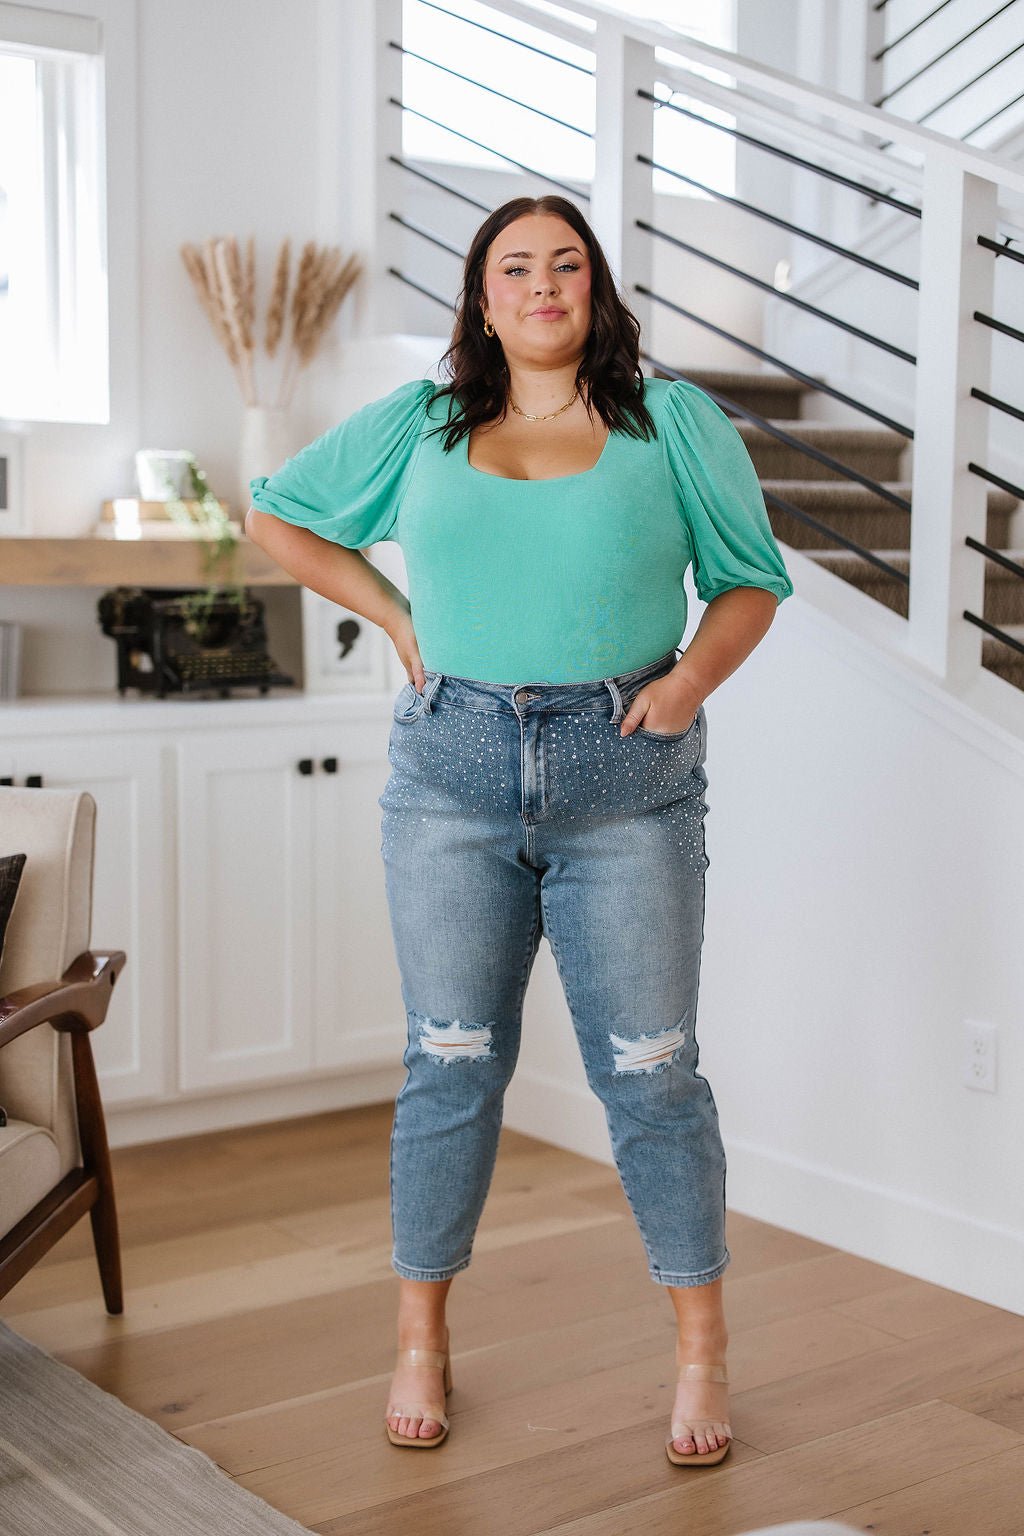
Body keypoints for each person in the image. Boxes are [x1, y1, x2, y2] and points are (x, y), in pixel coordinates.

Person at [246, 193, 793, 1467]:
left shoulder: (672, 421)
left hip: (628, 782)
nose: (542, 285)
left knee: (653, 1075)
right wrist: (395, 616)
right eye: (515, 268)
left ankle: (701, 1353)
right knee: (449, 1065)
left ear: (594, 289)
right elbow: (276, 509)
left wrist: (686, 684)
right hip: (450, 774)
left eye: (565, 264)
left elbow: (750, 580)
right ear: (482, 300)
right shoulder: (423, 423)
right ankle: (419, 1341)